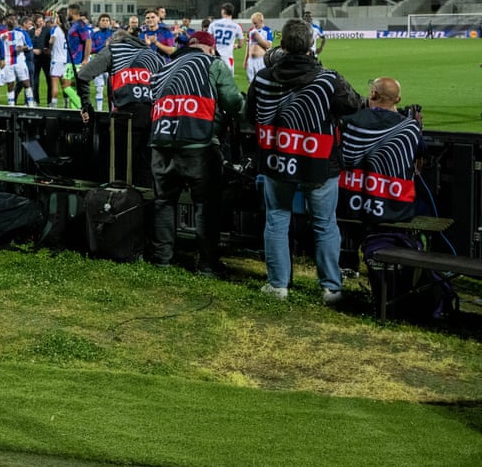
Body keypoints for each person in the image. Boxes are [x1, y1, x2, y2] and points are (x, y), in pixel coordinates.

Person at [245, 18, 363, 303]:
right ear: (312, 45)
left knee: (276, 218)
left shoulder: (263, 77)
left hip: (277, 159)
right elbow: (353, 104)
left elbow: (249, 114)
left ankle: (278, 285)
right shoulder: (327, 78)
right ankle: (331, 289)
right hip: (319, 161)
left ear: (282, 45)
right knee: (324, 223)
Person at [146, 30, 244, 273]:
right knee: (205, 203)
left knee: (163, 201)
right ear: (210, 48)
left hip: (161, 142)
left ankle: (163, 259)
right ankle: (207, 264)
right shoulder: (213, 64)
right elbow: (233, 102)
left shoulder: (164, 67)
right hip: (198, 144)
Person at [74, 27, 166, 188]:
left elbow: (83, 75)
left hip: (126, 116)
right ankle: (146, 207)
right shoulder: (153, 54)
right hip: (156, 117)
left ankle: (122, 206)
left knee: (118, 168)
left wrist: (86, 106)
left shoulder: (114, 49)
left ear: (114, 40)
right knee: (147, 167)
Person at [338, 77, 422, 225]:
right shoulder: (410, 126)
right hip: (397, 211)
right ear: (398, 99)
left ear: (372, 94)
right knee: (424, 206)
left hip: (348, 205)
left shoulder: (349, 120)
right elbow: (421, 151)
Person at [86, 13, 115, 112]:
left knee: (112, 90)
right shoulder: (94, 34)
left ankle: (112, 110)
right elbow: (91, 49)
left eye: (107, 20)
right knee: (99, 89)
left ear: (110, 22)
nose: (105, 22)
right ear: (99, 22)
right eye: (103, 20)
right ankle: (99, 111)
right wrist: (104, 45)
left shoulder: (114, 34)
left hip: (111, 64)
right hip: (98, 63)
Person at [209, 2, 244, 74]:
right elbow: (241, 44)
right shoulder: (237, 26)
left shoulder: (213, 24)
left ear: (223, 11)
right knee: (228, 83)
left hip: (214, 57)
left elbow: (208, 39)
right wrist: (236, 46)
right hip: (228, 58)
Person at [244, 12, 273, 84]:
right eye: (253, 23)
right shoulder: (251, 30)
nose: (254, 25)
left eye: (255, 23)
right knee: (250, 83)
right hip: (250, 61)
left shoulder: (267, 30)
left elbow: (268, 46)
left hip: (261, 60)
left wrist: (258, 38)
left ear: (261, 21)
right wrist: (245, 60)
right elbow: (248, 46)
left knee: (261, 82)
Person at [46, 13, 67, 107]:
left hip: (56, 60)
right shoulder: (68, 30)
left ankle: (53, 105)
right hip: (66, 60)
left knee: (54, 84)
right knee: (65, 85)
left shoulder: (55, 29)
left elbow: (51, 41)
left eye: (57, 18)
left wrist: (49, 46)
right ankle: (66, 104)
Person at [30, 14, 50, 105]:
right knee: (35, 81)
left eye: (42, 20)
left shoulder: (47, 30)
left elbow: (51, 42)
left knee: (49, 80)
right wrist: (34, 50)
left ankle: (49, 102)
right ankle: (36, 101)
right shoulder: (31, 32)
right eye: (39, 21)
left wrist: (48, 49)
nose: (41, 22)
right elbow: (28, 44)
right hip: (35, 59)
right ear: (35, 22)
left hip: (46, 58)